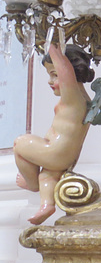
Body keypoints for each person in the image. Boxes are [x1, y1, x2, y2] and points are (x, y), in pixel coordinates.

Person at [14, 44, 94, 225]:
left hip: (56, 151)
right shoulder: (84, 99)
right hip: (66, 156)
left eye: (55, 74)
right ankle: (47, 204)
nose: (50, 81)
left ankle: (32, 184)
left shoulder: (72, 96)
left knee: (20, 143)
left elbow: (66, 72)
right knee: (47, 175)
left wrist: (50, 44)